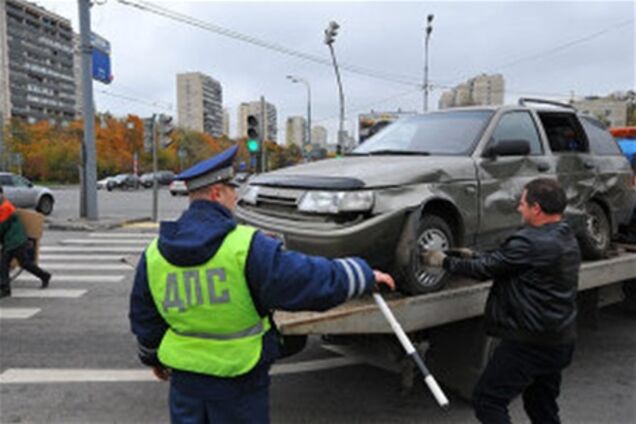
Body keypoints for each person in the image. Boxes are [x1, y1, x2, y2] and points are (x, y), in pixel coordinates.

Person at [129, 145, 395, 424]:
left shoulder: (155, 253)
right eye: (233, 188)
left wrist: (152, 357)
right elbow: (306, 280)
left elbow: (145, 316)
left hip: (185, 386)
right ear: (218, 193)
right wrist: (360, 273)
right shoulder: (245, 246)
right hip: (240, 383)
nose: (237, 196)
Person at [422, 178, 580, 424]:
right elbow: (510, 262)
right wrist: (473, 255)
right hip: (559, 339)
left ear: (536, 208)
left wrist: (443, 261)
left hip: (529, 343)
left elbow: (486, 269)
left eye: (523, 203)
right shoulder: (566, 236)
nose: (519, 207)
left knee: (488, 400)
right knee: (541, 405)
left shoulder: (529, 241)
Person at [0, 186, 51, 298]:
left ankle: (5, 289)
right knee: (24, 263)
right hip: (16, 240)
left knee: (4, 264)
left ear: (1, 194)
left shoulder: (4, 207)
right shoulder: (5, 205)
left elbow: (2, 227)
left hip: (14, 241)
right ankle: (44, 276)